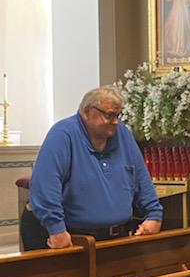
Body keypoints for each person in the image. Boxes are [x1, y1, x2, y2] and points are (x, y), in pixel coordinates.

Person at [24, 86, 162, 251]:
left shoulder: (122, 134)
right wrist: (56, 229)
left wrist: (154, 214)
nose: (116, 121)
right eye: (109, 115)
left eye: (118, 115)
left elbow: (140, 176)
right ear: (87, 112)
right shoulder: (63, 134)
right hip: (70, 238)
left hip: (116, 237)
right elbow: (45, 185)